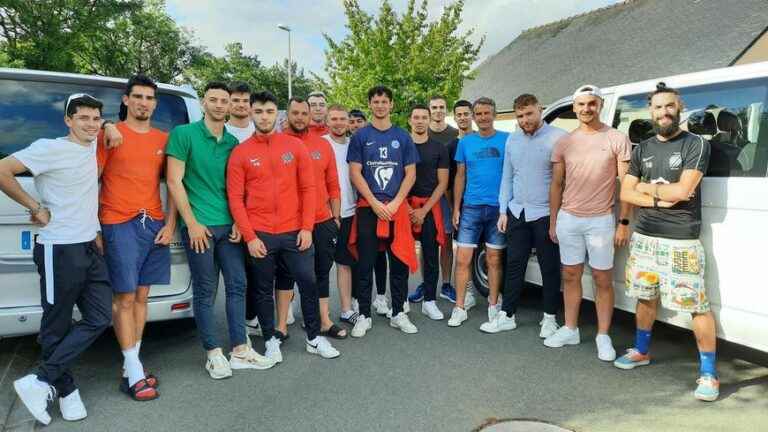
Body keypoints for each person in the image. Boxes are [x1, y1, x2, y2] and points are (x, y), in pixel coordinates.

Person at [2, 94, 111, 425]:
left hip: (88, 247)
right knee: (57, 325)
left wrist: (110, 126)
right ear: (68, 120)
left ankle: (40, 380)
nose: (91, 124)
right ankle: (65, 390)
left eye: (96, 118)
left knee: (99, 317)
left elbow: (108, 127)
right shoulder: (48, 148)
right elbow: (3, 169)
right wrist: (35, 207)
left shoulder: (93, 145)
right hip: (58, 248)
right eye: (83, 118)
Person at [615, 82, 718, 401]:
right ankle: (642, 351)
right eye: (658, 107)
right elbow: (625, 192)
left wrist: (647, 190)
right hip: (645, 238)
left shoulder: (696, 144)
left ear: (680, 107)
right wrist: (660, 196)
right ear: (651, 111)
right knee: (645, 298)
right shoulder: (642, 147)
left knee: (697, 306)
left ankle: (709, 375)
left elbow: (683, 192)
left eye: (669, 106)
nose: (664, 112)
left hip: (681, 240)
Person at [167, 81, 275, 380]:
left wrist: (241, 222)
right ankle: (213, 353)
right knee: (205, 290)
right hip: (199, 226)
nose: (218, 105)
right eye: (212, 99)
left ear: (230, 106)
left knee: (238, 285)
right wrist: (191, 224)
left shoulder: (232, 144)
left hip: (229, 228)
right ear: (204, 103)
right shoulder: (183, 134)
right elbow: (175, 182)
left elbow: (239, 189)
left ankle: (240, 349)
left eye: (223, 101)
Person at [97, 75, 176, 401]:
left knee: (142, 298)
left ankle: (132, 368)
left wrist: (170, 224)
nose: (144, 102)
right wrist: (104, 123)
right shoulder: (111, 136)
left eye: (149, 98)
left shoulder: (163, 138)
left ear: (155, 103)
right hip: (119, 223)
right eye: (138, 97)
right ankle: (133, 371)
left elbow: (174, 183)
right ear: (127, 100)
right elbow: (91, 181)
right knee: (124, 299)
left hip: (153, 224)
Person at [544, 85, 632, 362]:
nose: (586, 109)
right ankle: (571, 328)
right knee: (570, 275)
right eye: (581, 104)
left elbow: (625, 184)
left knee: (602, 279)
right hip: (569, 219)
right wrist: (554, 220)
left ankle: (603, 336)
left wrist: (623, 222)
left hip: (601, 221)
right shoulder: (565, 142)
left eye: (591, 104)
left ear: (600, 105)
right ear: (574, 107)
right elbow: (557, 184)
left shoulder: (617, 138)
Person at [482, 94, 565, 336]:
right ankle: (507, 315)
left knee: (549, 267)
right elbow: (507, 177)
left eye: (529, 114)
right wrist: (502, 210)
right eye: (519, 116)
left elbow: (563, 181)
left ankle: (549, 318)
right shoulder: (512, 141)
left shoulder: (559, 137)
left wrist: (556, 216)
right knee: (514, 264)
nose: (524, 119)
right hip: (517, 211)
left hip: (545, 214)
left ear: (540, 110)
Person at [347, 85, 419, 337]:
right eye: (375, 101)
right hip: (369, 208)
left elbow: (411, 173)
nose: (380, 105)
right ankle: (364, 315)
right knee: (365, 264)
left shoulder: (402, 136)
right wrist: (375, 203)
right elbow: (355, 172)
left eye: (384, 101)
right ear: (370, 104)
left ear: (391, 104)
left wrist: (397, 202)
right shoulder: (360, 137)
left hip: (396, 209)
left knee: (398, 263)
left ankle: (398, 312)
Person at [277, 97, 347, 340]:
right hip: (288, 223)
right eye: (294, 113)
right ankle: (281, 326)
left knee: (321, 271)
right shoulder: (277, 143)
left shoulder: (322, 144)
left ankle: (324, 320)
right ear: (287, 115)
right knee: (286, 272)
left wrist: (335, 217)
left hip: (322, 220)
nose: (299, 117)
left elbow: (333, 184)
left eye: (303, 113)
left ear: (310, 115)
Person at [449, 97, 509, 327]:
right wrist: (456, 208)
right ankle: (459, 307)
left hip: (497, 208)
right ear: (474, 117)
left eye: (487, 113)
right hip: (471, 208)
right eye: (479, 114)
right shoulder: (466, 143)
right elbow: (460, 176)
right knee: (463, 258)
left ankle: (494, 304)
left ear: (494, 114)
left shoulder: (507, 140)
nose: (483, 117)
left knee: (494, 259)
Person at [224, 82, 263, 339]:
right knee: (234, 278)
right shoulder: (222, 132)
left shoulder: (258, 131)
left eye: (244, 100)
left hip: (257, 215)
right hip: (226, 214)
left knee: (256, 274)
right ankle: (237, 331)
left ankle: (251, 318)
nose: (240, 104)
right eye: (235, 100)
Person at [409, 95, 457, 305]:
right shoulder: (403, 144)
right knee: (408, 248)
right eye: (416, 117)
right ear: (411, 120)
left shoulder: (448, 140)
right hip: (407, 204)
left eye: (423, 117)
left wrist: (425, 209)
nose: (420, 120)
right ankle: (415, 290)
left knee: (438, 244)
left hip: (438, 201)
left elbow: (445, 180)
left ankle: (441, 287)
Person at [324, 104, 360, 325]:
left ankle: (347, 309)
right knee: (320, 267)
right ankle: (321, 313)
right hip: (325, 215)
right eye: (334, 119)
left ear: (348, 122)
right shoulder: (320, 144)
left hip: (350, 212)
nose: (338, 123)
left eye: (342, 119)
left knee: (345, 263)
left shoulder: (354, 146)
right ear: (327, 121)